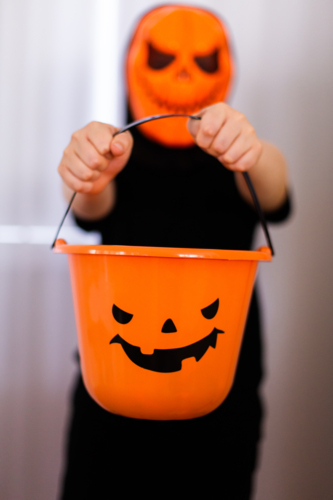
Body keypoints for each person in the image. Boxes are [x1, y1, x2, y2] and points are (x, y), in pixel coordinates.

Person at [57, 6, 290, 499]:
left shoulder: (237, 160)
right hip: (113, 387)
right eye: (163, 57)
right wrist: (85, 172)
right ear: (133, 63)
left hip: (222, 394)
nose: (183, 73)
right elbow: (90, 205)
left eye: (203, 61)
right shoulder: (116, 156)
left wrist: (251, 151)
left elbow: (274, 190)